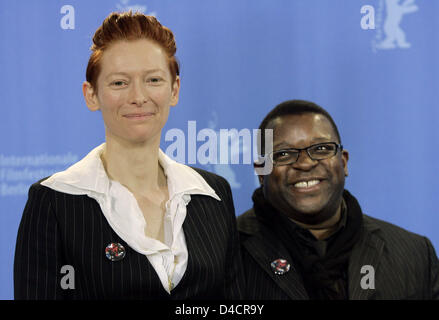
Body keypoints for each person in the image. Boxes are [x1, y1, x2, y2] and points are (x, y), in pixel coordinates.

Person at [14, 11, 245, 300]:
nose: (138, 96)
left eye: (153, 80)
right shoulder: (54, 200)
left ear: (175, 90)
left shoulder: (213, 194)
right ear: (91, 95)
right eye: (119, 83)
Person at [237, 99, 439, 300]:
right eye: (284, 154)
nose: (306, 164)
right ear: (261, 173)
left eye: (321, 149)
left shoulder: (414, 254)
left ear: (343, 162)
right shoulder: (227, 253)